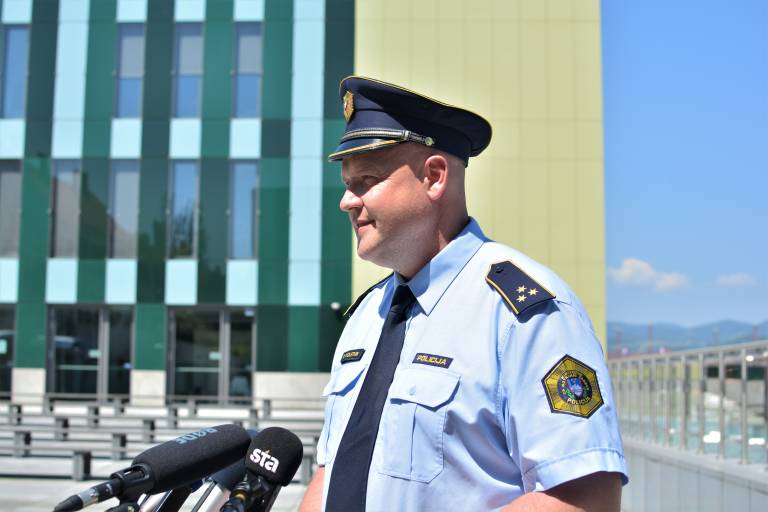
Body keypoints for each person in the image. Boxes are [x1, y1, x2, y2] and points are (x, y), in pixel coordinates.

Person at [299, 76, 628, 512]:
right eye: (347, 183)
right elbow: (331, 469)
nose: (347, 201)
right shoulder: (367, 314)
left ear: (434, 177)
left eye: (366, 180)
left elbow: (585, 496)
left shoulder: (523, 313)